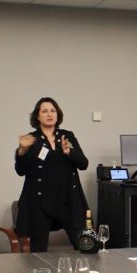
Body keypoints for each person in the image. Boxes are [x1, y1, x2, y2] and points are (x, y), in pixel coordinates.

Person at [14, 97, 89, 252]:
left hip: (68, 199)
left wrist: (70, 152)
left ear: (58, 114)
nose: (49, 114)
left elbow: (83, 164)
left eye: (53, 110)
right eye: (44, 111)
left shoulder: (67, 136)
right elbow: (21, 171)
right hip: (41, 202)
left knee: (85, 246)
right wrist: (21, 151)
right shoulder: (31, 139)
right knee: (38, 251)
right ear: (37, 116)